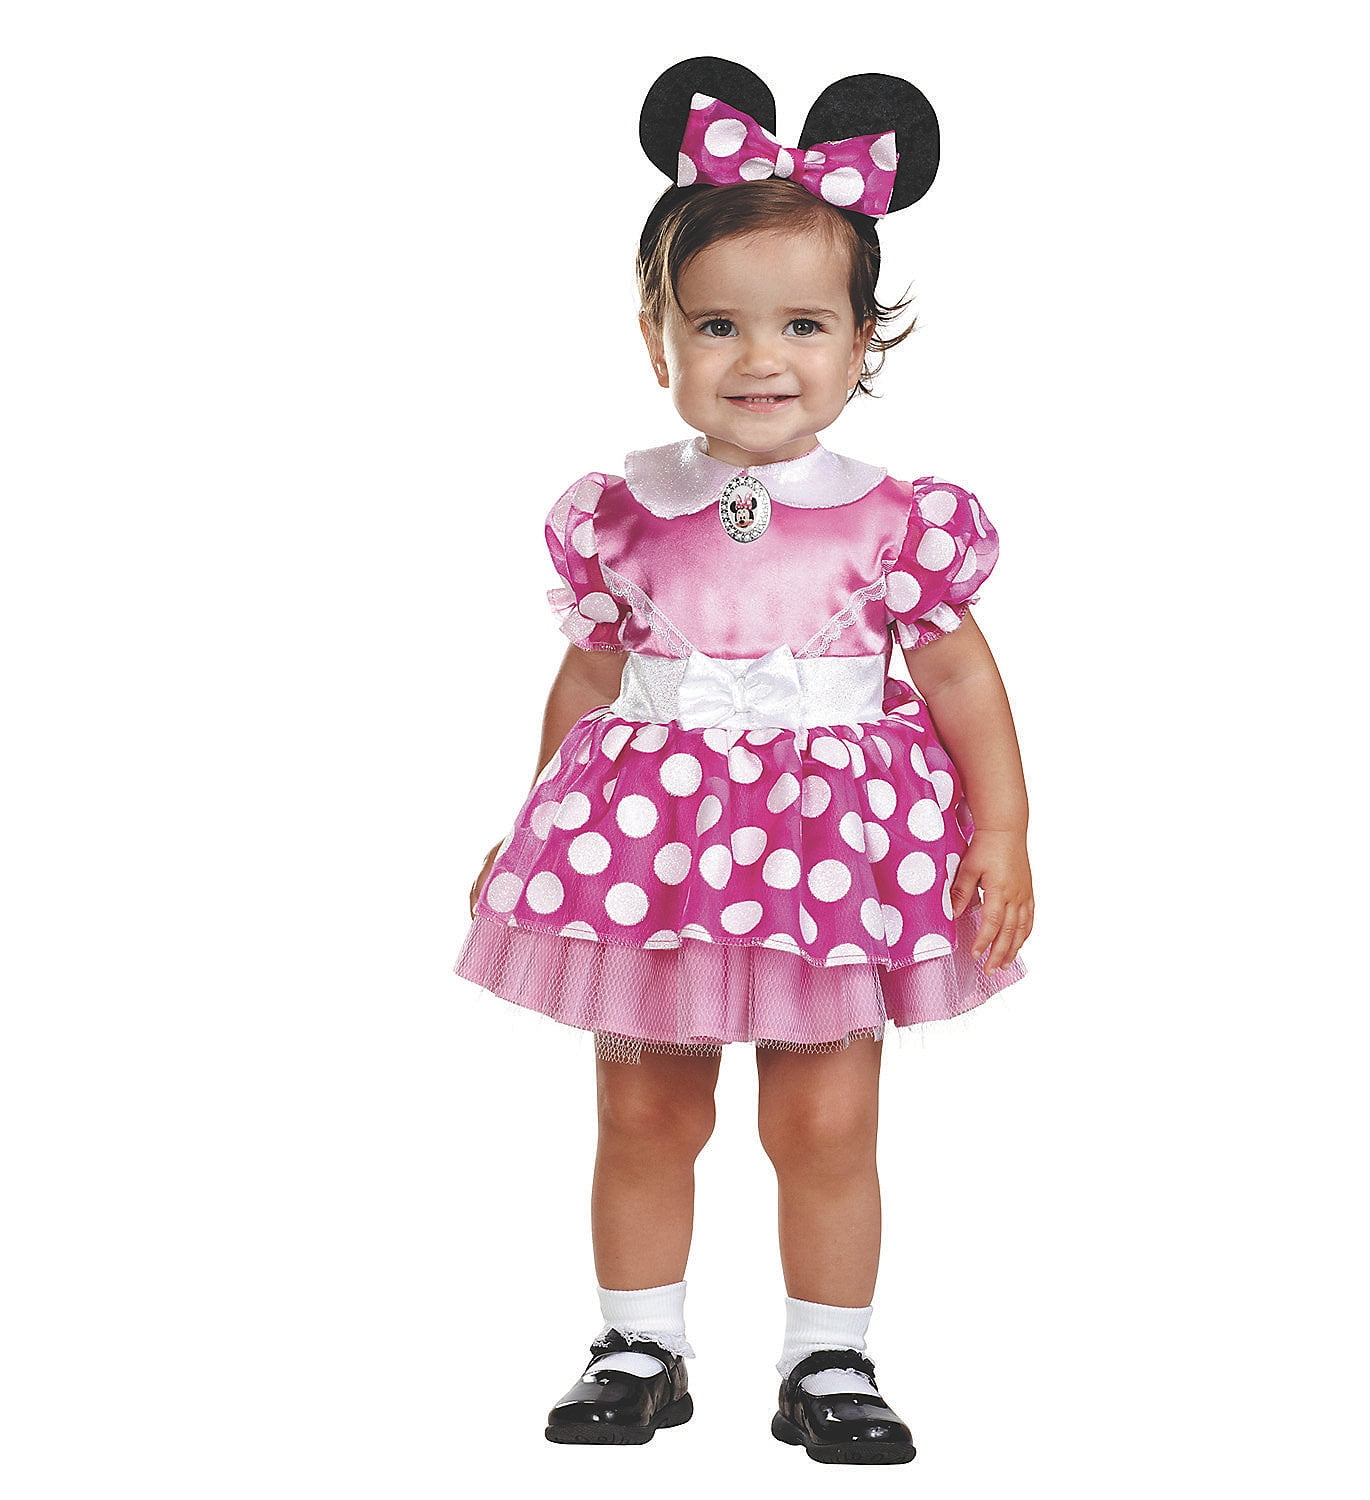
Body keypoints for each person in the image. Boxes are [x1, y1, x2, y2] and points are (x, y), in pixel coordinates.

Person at [453, 56, 1034, 1465]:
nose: (760, 358)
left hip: (832, 866)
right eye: (716, 323)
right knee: (645, 1106)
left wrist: (1002, 832)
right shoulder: (624, 513)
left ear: (862, 341)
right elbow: (591, 676)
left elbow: (959, 675)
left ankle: (830, 1357)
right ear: (657, 340)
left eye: (802, 324)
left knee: (826, 1118)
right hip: (650, 862)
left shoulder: (894, 521)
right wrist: (532, 826)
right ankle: (637, 1343)